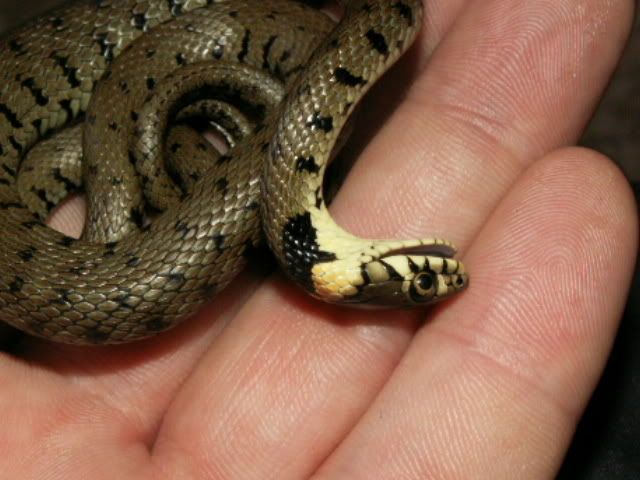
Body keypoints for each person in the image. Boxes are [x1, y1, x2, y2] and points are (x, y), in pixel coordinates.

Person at [2, 0, 637, 477]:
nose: (437, 270)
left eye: (417, 279)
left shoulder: (289, 205)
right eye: (419, 278)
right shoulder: (279, 189)